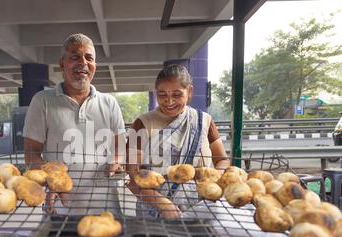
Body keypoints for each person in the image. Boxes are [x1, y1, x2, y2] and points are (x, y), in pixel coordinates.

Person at [22, 33, 126, 215]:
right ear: (62, 63)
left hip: (106, 204)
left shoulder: (109, 103)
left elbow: (120, 146)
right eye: (75, 57)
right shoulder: (42, 101)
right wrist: (52, 179)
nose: (83, 63)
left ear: (95, 65)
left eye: (89, 58)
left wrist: (116, 161)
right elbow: (31, 153)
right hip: (62, 205)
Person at [126, 64, 230, 218]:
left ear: (189, 92)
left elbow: (222, 160)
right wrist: (163, 204)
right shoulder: (142, 123)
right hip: (154, 209)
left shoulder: (203, 121)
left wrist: (213, 178)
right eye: (162, 94)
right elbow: (134, 175)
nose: (169, 101)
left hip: (201, 207)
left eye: (177, 94)